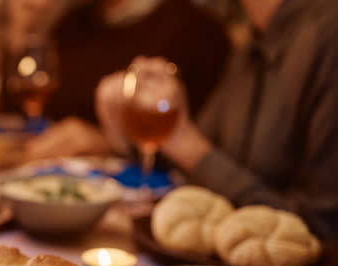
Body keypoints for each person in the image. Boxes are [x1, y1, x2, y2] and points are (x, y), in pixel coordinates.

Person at [93, 0, 338, 241]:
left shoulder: (327, 34)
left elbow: (324, 228)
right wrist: (132, 129)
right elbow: (198, 164)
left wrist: (185, 144)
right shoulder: (253, 42)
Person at [17, 0, 230, 159]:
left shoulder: (197, 31)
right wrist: (20, 31)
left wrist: (111, 145)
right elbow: (22, 109)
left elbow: (201, 153)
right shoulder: (72, 22)